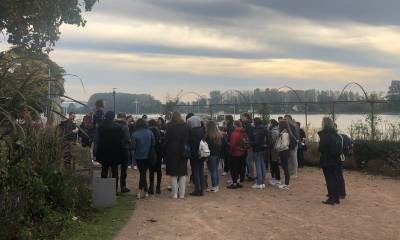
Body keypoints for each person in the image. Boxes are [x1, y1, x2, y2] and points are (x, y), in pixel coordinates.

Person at [96, 111, 124, 193]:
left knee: (104, 170)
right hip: (115, 151)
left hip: (104, 150)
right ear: (113, 117)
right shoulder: (118, 127)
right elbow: (121, 138)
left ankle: (103, 189)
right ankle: (114, 190)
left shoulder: (101, 126)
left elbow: (99, 138)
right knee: (115, 171)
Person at [165, 112, 189, 199]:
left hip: (172, 150)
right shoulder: (185, 125)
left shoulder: (169, 125)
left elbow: (166, 138)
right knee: (182, 172)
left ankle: (174, 194)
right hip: (183, 150)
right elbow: (187, 138)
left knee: (173, 173)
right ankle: (182, 194)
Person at [318, 117, 342, 205]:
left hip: (327, 160)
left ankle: (331, 198)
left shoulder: (325, 135)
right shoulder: (335, 134)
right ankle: (336, 198)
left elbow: (321, 148)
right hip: (335, 159)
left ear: (324, 124)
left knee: (329, 179)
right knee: (335, 178)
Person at [131, 118, 154, 199]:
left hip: (139, 156)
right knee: (143, 173)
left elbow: (133, 148)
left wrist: (132, 162)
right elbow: (153, 144)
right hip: (148, 156)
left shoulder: (134, 134)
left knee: (142, 173)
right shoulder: (150, 132)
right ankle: (142, 191)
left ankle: (143, 191)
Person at [186, 113, 206, 196]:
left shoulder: (191, 131)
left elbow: (190, 143)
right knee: (201, 171)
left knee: (195, 171)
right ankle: (202, 189)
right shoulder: (202, 130)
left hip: (194, 154)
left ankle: (197, 189)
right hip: (202, 153)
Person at [227, 120, 247, 189]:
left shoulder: (234, 133)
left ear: (235, 125)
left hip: (235, 153)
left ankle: (234, 183)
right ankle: (239, 182)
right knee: (240, 168)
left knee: (234, 168)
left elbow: (232, 145)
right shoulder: (243, 132)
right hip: (243, 152)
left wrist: (230, 151)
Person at [205, 120, 224, 193]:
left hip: (211, 155)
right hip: (217, 154)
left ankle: (214, 186)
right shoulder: (219, 134)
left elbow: (206, 146)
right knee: (215, 170)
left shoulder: (208, 135)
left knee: (213, 171)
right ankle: (216, 186)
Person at [115, 112, 131, 193]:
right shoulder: (125, 126)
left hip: (115, 149)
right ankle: (123, 186)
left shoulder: (113, 125)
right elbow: (127, 138)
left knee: (115, 169)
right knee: (124, 169)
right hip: (124, 148)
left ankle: (115, 188)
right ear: (124, 118)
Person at [275, 120, 291, 190]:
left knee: (286, 168)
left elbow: (284, 144)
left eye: (279, 125)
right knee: (285, 168)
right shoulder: (284, 133)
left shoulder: (284, 134)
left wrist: (277, 147)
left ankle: (286, 184)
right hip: (283, 151)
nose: (278, 126)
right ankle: (286, 183)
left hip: (283, 151)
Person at [148, 119, 163, 194]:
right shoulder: (160, 132)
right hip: (159, 152)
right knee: (159, 170)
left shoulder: (148, 131)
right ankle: (158, 187)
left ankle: (151, 187)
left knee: (151, 170)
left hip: (151, 152)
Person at [252, 117, 267, 189]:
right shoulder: (264, 128)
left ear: (255, 122)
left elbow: (256, 141)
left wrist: (249, 143)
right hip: (263, 149)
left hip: (257, 149)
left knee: (258, 166)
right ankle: (263, 182)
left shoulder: (257, 129)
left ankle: (259, 183)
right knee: (262, 165)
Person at [241, 113, 255, 181]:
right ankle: (250, 174)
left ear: (246, 117)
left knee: (250, 161)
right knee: (248, 161)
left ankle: (251, 175)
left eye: (242, 117)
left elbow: (248, 136)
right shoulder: (247, 124)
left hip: (249, 145)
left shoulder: (248, 125)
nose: (241, 118)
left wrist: (246, 141)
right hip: (248, 144)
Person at [268, 119, 281, 186]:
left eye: (269, 123)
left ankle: (276, 178)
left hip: (274, 149)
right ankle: (275, 178)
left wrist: (268, 144)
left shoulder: (274, 131)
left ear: (272, 124)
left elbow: (272, 141)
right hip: (274, 149)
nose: (269, 124)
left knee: (274, 164)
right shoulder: (276, 130)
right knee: (274, 164)